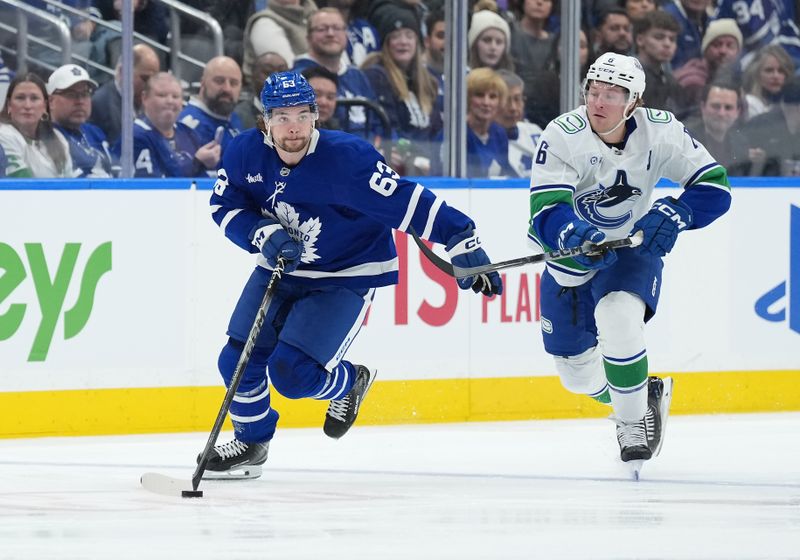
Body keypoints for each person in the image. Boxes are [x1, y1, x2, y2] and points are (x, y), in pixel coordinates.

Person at [203, 71, 502, 478]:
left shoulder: (347, 160)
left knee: (292, 375)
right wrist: (260, 233)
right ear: (265, 122)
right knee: (235, 360)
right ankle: (253, 442)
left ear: (316, 117)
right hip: (283, 267)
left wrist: (462, 240)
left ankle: (348, 384)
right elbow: (226, 206)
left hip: (347, 271)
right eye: (282, 117)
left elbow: (407, 202)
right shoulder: (243, 153)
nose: (294, 127)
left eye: (303, 115)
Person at [528, 53, 731, 467]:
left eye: (612, 94)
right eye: (593, 91)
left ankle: (632, 421)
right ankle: (640, 393)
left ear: (634, 101)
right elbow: (547, 210)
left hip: (630, 249)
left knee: (619, 316)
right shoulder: (563, 134)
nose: (598, 102)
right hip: (571, 260)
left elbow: (715, 186)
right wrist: (573, 234)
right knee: (576, 375)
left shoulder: (661, 131)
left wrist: (678, 213)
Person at [363, 0, 442, 175]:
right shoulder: (377, 76)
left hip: (427, 164)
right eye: (395, 36)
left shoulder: (429, 81)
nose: (403, 42)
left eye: (409, 35)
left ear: (418, 42)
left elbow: (436, 129)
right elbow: (389, 129)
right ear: (386, 43)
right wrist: (414, 156)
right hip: (398, 168)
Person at [116, 72, 219, 177]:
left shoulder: (188, 133)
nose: (170, 101)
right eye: (162, 95)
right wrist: (197, 162)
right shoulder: (135, 137)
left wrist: (210, 164)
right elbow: (156, 186)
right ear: (145, 98)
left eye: (175, 96)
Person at [47, 64, 115, 178]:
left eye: (85, 94)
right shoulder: (45, 137)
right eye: (71, 95)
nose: (80, 101)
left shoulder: (94, 132)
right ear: (51, 101)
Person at [0, 74, 74, 178]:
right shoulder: (3, 134)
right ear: (9, 105)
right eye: (20, 98)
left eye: (34, 98)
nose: (27, 106)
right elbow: (22, 186)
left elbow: (71, 185)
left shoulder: (58, 138)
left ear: (44, 106)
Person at [90, 43, 160, 144]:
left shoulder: (151, 102)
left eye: (154, 79)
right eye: (145, 78)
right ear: (123, 71)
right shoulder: (100, 104)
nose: (150, 85)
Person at [178, 56, 244, 155]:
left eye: (234, 83)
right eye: (219, 81)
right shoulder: (186, 126)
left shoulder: (234, 118)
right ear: (202, 83)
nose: (227, 89)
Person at [684, 81, 750, 176]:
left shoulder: (741, 144)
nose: (721, 113)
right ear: (703, 107)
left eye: (728, 107)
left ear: (737, 112)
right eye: (716, 106)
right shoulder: (685, 138)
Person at [464, 67, 516, 178]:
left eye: (492, 97)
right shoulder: (456, 135)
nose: (486, 103)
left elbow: (505, 172)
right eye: (479, 95)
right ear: (467, 98)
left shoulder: (499, 133)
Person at [744, 76, 800, 176]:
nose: (795, 114)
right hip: (768, 185)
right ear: (782, 104)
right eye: (791, 108)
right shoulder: (759, 125)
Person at [495, 70, 542, 178]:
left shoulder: (534, 132)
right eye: (506, 100)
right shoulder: (484, 140)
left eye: (517, 99)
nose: (513, 108)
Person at [235, 52, 291, 131]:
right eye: (268, 72)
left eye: (282, 72)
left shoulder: (299, 115)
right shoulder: (238, 116)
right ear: (253, 76)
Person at [741, 44, 795, 121]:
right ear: (756, 73)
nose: (775, 76)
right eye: (769, 70)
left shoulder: (793, 106)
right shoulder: (750, 104)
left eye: (781, 71)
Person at [468, 7, 515, 72]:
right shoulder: (461, 79)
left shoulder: (512, 81)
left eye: (499, 42)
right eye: (487, 40)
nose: (493, 47)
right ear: (474, 43)